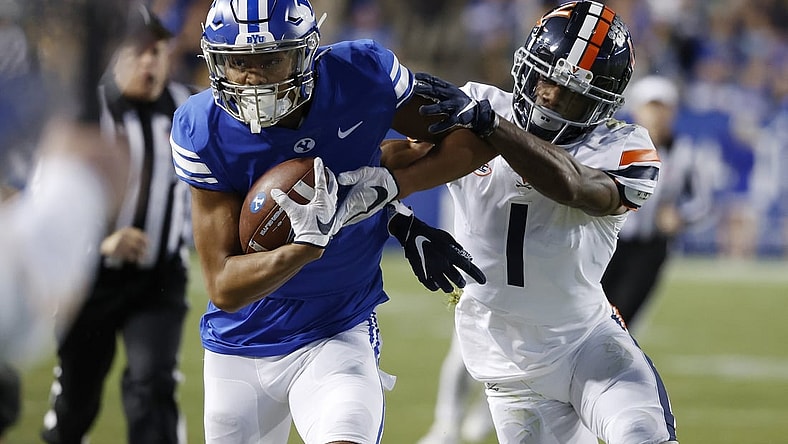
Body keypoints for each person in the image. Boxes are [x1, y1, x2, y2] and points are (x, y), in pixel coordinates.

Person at [341, 1, 680, 442]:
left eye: (572, 94)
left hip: (586, 344)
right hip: (505, 364)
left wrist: (491, 125)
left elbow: (573, 186)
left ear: (604, 104)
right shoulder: (480, 109)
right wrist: (401, 221)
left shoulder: (622, 146)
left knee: (642, 433)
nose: (551, 98)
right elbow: (378, 169)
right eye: (546, 80)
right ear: (526, 67)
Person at [168, 0, 485, 443]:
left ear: (306, 51)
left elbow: (472, 138)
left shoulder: (362, 74)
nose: (252, 78)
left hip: (337, 327)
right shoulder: (202, 127)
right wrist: (303, 249)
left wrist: (396, 194)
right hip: (241, 342)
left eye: (270, 59)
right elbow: (223, 286)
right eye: (239, 63)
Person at [40, 5, 195, 444]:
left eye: (157, 50)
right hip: (90, 278)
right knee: (78, 395)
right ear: (116, 54)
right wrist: (102, 242)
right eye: (138, 51)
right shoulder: (85, 113)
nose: (149, 61)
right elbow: (46, 206)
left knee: (152, 385)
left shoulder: (188, 110)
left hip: (159, 279)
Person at [602, 75, 714, 327]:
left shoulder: (686, 154)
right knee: (590, 311)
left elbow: (703, 202)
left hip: (650, 247)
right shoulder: (614, 147)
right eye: (650, 107)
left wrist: (680, 216)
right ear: (636, 110)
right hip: (608, 240)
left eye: (662, 107)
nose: (657, 115)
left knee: (623, 318)